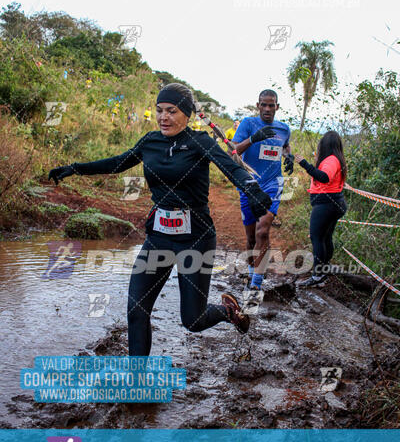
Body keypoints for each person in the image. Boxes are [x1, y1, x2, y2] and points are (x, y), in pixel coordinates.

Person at [48, 83, 273, 356]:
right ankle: (138, 383)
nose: (163, 117)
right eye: (159, 110)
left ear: (187, 115)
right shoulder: (150, 142)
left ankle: (227, 311)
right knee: (136, 310)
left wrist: (253, 191)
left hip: (196, 240)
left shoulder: (200, 143)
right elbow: (115, 163)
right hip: (159, 238)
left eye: (172, 111)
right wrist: (74, 169)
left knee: (193, 320)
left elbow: (232, 169)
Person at [232, 89, 293, 295]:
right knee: (250, 237)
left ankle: (257, 280)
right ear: (258, 106)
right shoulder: (248, 124)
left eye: (271, 105)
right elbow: (234, 152)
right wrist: (253, 138)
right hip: (248, 184)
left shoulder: (284, 129)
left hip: (272, 184)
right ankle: (252, 271)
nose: (267, 109)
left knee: (263, 230)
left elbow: (285, 147)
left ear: (277, 106)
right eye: (263, 105)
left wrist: (289, 157)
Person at [294, 130, 347, 287]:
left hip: (326, 204)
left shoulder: (331, 160)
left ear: (325, 145)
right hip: (333, 203)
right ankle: (324, 269)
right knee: (325, 237)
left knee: (317, 238)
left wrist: (305, 164)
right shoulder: (337, 159)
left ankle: (317, 277)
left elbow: (324, 177)